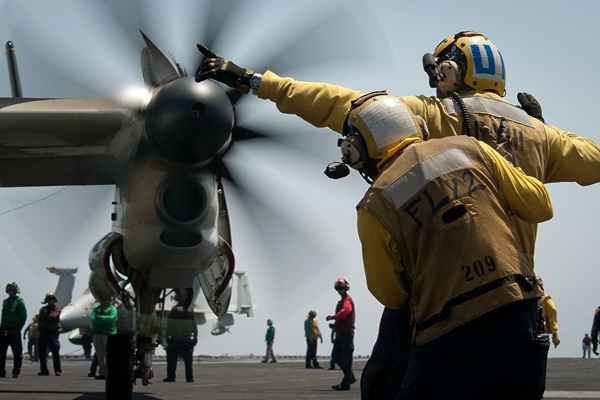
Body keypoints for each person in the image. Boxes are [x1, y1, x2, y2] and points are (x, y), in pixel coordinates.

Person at [195, 30, 600, 398]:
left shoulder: (436, 115)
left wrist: (255, 81)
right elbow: (589, 161)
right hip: (519, 300)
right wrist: (541, 132)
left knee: (384, 386)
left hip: (437, 305)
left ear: (450, 70)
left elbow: (339, 103)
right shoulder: (540, 134)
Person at [326, 277, 356, 391]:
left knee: (345, 358)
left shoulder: (347, 300)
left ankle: (347, 381)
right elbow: (343, 317)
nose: (340, 290)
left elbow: (345, 312)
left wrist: (333, 317)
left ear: (345, 288)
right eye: (338, 288)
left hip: (346, 335)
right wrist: (335, 325)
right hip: (341, 333)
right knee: (337, 357)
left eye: (341, 288)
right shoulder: (342, 300)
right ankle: (349, 377)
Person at [163, 299, 197, 383]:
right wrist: (195, 339)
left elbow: (168, 326)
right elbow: (194, 328)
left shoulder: (173, 311)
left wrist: (167, 338)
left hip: (175, 340)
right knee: (188, 363)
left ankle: (171, 377)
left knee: (171, 361)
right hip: (186, 341)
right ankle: (189, 378)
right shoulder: (189, 312)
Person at [0, 282, 27, 378]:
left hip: (14, 330)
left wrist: (17, 328)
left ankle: (16, 372)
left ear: (16, 291)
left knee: (17, 353)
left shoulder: (19, 302)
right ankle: (1, 372)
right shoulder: (5, 301)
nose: (11, 291)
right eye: (9, 289)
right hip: (3, 330)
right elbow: (3, 317)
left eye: (12, 289)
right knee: (1, 353)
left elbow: (23, 317)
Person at [89, 299, 118, 380]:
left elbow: (111, 318)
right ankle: (103, 373)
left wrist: (100, 318)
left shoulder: (112, 309)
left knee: (110, 355)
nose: (104, 300)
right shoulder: (96, 309)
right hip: (97, 334)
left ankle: (110, 373)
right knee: (100, 356)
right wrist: (104, 320)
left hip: (108, 334)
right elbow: (93, 318)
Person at [37, 293, 62, 376]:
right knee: (42, 353)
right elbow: (40, 320)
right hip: (43, 333)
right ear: (47, 301)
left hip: (52, 334)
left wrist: (45, 320)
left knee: (55, 353)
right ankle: (44, 370)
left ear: (54, 301)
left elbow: (52, 317)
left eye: (51, 300)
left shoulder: (57, 310)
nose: (50, 301)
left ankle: (57, 370)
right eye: (49, 300)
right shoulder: (43, 309)